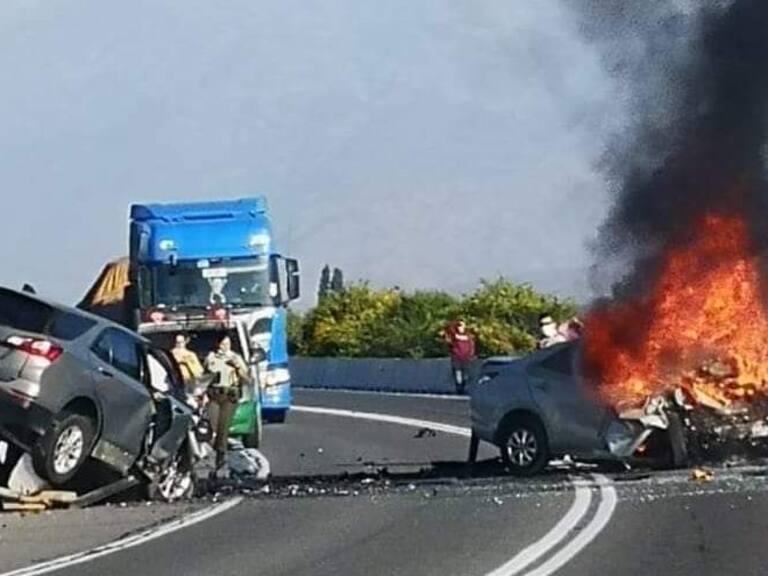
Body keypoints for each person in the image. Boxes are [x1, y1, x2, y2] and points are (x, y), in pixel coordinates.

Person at [205, 335, 249, 469]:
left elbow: (246, 378)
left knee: (223, 427)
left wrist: (237, 367)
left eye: (227, 344)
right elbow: (204, 375)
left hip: (229, 395)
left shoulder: (236, 358)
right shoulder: (211, 357)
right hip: (214, 394)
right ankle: (211, 452)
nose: (225, 347)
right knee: (212, 425)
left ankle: (220, 455)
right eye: (223, 344)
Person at [445, 319, 476, 394]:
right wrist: (455, 323)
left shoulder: (468, 335)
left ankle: (464, 386)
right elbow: (449, 330)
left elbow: (472, 345)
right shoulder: (454, 335)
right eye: (459, 326)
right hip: (456, 357)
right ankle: (459, 388)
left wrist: (471, 354)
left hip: (466, 357)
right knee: (458, 373)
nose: (460, 327)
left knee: (466, 374)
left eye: (462, 326)